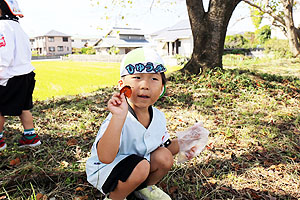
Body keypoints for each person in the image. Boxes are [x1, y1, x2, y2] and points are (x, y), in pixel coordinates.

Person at [86, 48, 179, 200]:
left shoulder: (159, 117)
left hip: (139, 165)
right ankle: (115, 197)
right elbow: (105, 157)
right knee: (141, 167)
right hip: (106, 169)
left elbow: (165, 147)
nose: (145, 85)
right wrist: (118, 117)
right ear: (122, 85)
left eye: (154, 79)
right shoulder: (118, 116)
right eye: (137, 77)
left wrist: (186, 141)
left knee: (165, 157)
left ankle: (142, 188)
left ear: (162, 88)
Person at [0, 0, 41, 151]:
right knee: (24, 108)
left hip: (9, 76)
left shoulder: (2, 27)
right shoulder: (18, 27)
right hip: (26, 75)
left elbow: (3, 55)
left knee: (0, 109)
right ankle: (30, 138)